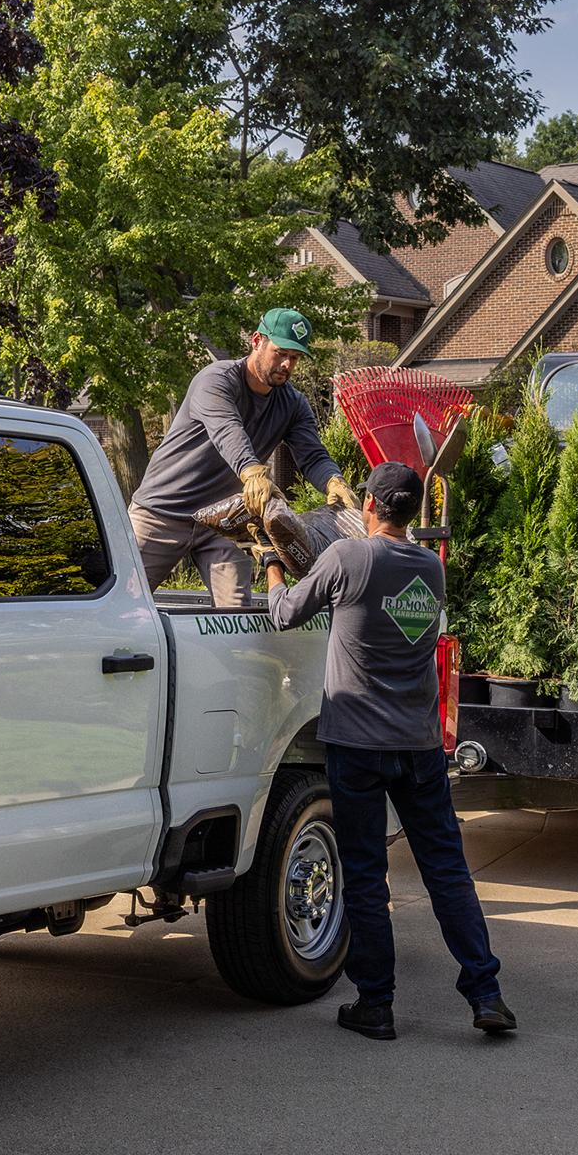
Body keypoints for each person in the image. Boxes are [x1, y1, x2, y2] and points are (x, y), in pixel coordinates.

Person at [264, 459, 515, 1040]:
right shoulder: (431, 568)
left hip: (357, 745)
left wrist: (273, 565)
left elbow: (283, 612)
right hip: (419, 747)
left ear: (370, 506)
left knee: (365, 874)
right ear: (411, 511)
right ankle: (486, 993)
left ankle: (375, 1004)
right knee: (447, 871)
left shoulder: (348, 558)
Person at [131, 307, 358, 607]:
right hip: (162, 513)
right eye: (280, 353)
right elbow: (227, 430)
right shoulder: (216, 381)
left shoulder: (293, 404)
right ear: (256, 341)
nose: (287, 364)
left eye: (295, 357)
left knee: (236, 613)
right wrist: (251, 471)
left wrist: (333, 480)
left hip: (225, 522)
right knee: (123, 602)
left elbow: (313, 456)